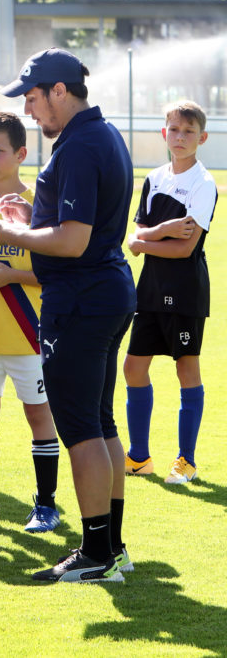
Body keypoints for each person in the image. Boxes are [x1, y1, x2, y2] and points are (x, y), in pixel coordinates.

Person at [0, 47, 135, 583]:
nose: (29, 111)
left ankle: (97, 554)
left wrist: (8, 232)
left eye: (32, 98)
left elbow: (73, 243)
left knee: (80, 430)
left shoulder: (78, 146)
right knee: (100, 424)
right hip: (105, 289)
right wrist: (35, 218)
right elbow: (79, 226)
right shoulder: (102, 135)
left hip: (80, 298)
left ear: (59, 90)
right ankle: (112, 547)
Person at [0, 112, 60, 533]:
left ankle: (45, 505)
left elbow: (60, 268)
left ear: (21, 153)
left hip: (31, 335)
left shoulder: (44, 204)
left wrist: (11, 276)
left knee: (40, 417)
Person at [123, 100, 217, 485]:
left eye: (188, 132)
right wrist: (163, 229)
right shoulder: (154, 178)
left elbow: (185, 248)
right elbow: (136, 232)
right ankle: (139, 458)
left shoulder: (204, 184)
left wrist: (146, 240)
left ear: (202, 137)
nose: (180, 137)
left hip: (185, 292)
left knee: (185, 367)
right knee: (132, 368)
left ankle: (186, 461)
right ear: (164, 133)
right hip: (151, 290)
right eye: (174, 130)